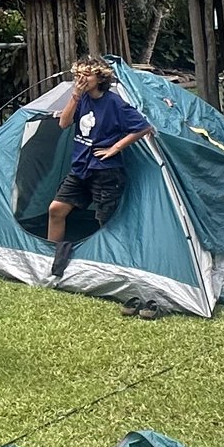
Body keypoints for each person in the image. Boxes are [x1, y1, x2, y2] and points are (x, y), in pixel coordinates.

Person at [45, 57, 150, 282]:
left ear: (100, 78)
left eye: (87, 75)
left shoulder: (115, 103)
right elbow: (63, 123)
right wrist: (74, 95)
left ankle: (112, 267)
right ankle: (51, 259)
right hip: (81, 167)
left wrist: (115, 148)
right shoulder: (81, 98)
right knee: (56, 209)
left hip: (106, 171)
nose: (81, 79)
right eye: (78, 74)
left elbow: (143, 127)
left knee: (106, 220)